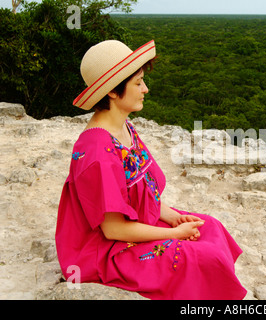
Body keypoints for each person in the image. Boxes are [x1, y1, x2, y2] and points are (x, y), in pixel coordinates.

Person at [55, 39, 247, 300]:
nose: (145, 89)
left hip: (134, 222)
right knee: (201, 255)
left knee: (210, 227)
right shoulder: (98, 151)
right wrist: (173, 233)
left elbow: (141, 190)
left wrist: (170, 216)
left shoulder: (123, 127)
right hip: (107, 248)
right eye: (138, 82)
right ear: (112, 91)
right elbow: (113, 230)